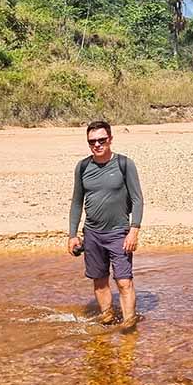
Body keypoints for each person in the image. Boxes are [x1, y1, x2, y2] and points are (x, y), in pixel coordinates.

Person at [68, 120, 144, 328]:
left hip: (119, 232)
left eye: (102, 140)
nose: (97, 145)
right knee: (99, 280)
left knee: (124, 281)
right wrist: (72, 234)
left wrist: (134, 230)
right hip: (92, 234)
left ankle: (129, 323)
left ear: (110, 139)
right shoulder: (83, 167)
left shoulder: (125, 164)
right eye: (92, 141)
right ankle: (108, 316)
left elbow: (138, 199)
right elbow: (76, 202)